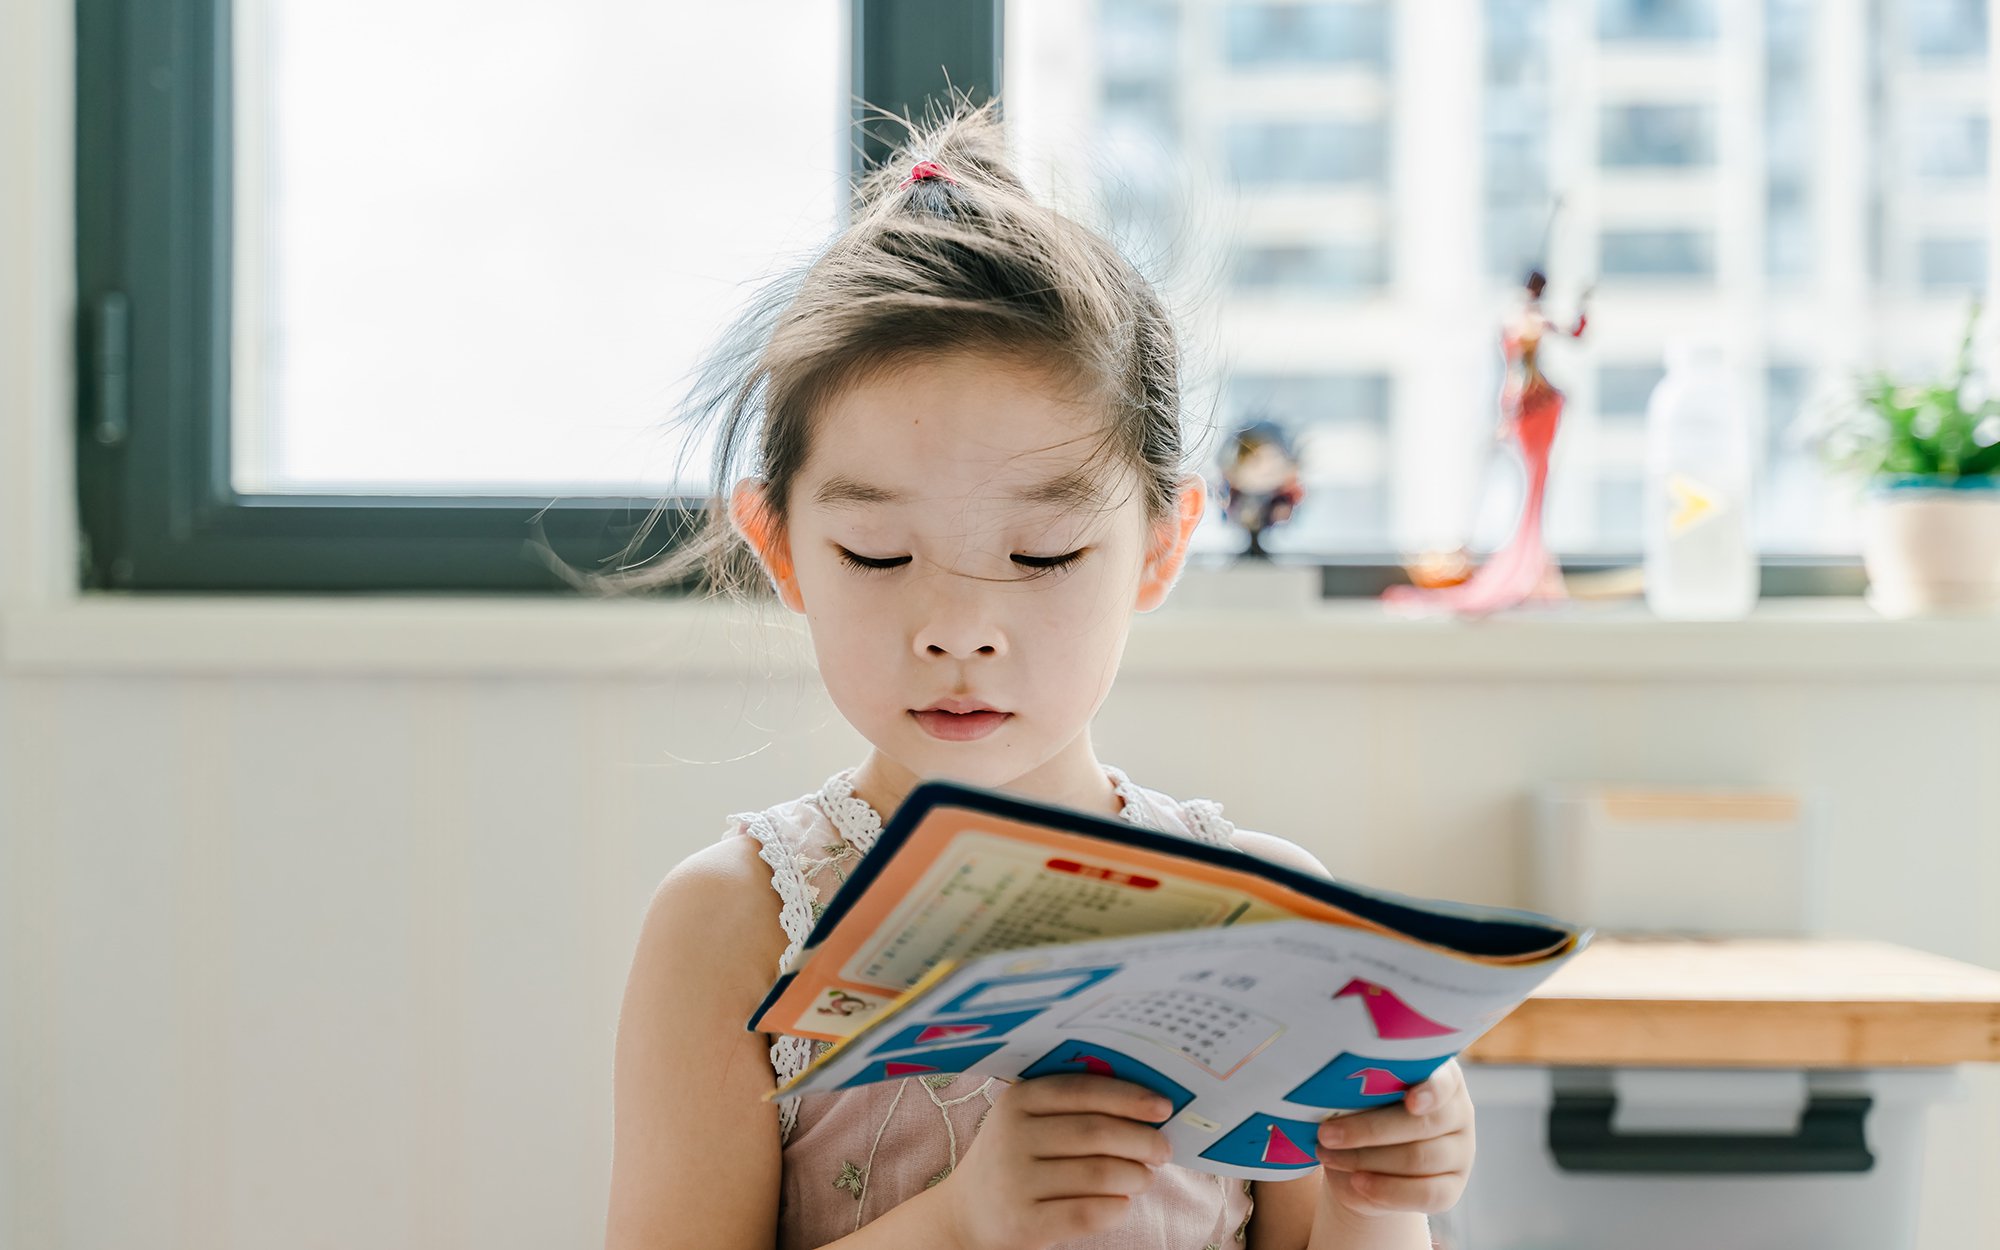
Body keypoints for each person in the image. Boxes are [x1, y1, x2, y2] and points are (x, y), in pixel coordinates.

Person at [603, 98, 1474, 1250]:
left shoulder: (1268, 919)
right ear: (780, 549)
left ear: (1159, 548)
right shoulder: (735, 926)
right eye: (877, 553)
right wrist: (959, 1219)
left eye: (1042, 554)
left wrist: (1381, 1188)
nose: (959, 626)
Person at [1383, 268, 1589, 617]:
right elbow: (1549, 346)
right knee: (1532, 485)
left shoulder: (1520, 321)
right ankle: (1526, 567)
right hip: (1529, 403)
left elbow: (1573, 334)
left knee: (1536, 485)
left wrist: (1582, 305)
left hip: (1530, 403)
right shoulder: (1524, 322)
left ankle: (1533, 566)